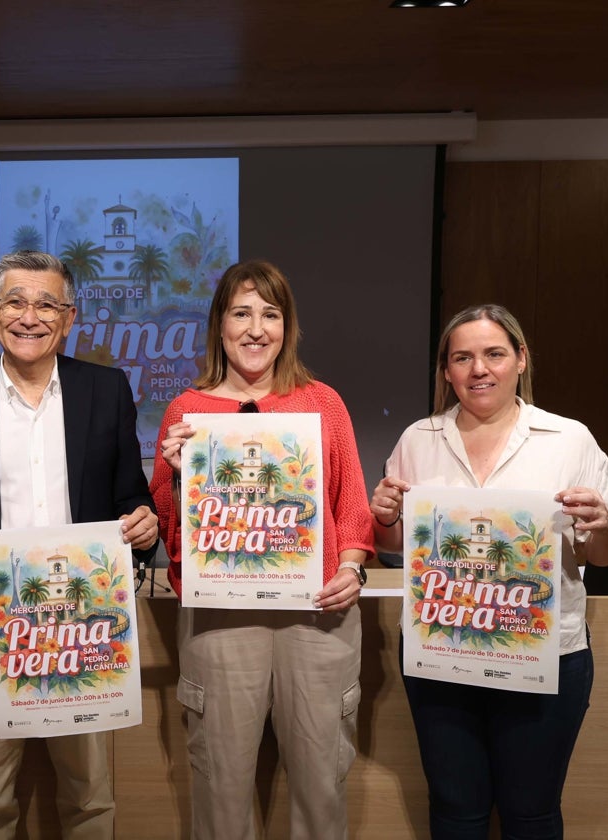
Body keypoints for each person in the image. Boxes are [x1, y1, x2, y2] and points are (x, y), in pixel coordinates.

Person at [0, 250, 158, 839]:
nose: (30, 317)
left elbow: (132, 496)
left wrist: (143, 526)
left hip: (84, 630)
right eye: (16, 302)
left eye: (47, 304)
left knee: (90, 800)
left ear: (69, 318)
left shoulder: (106, 391)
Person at [370, 304, 608, 839]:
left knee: (531, 814)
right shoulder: (418, 439)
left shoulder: (569, 439)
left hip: (545, 657)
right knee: (454, 812)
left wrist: (605, 524)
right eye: (462, 358)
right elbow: (394, 547)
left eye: (494, 354)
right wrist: (386, 518)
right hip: (440, 656)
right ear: (446, 371)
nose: (478, 369)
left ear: (521, 359)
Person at [151, 259, 374, 840]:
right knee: (220, 790)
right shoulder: (186, 412)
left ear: (287, 327)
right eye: (241, 314)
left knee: (321, 786)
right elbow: (170, 534)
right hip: (220, 621)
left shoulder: (323, 403)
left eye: (270, 315)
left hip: (317, 617)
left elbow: (352, 507)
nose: (256, 329)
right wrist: (179, 478)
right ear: (219, 326)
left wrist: (352, 568)